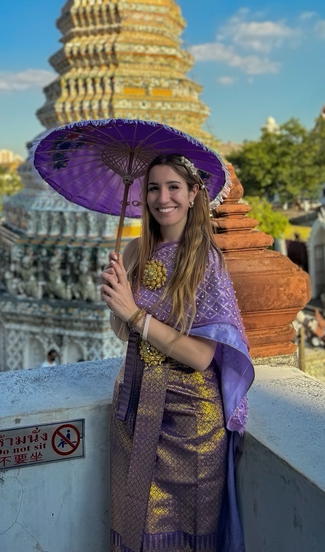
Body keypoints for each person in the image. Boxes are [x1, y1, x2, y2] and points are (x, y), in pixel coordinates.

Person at [101, 154, 253, 552]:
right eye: (153, 187)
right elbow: (125, 333)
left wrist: (134, 313)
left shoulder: (205, 261)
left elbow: (202, 356)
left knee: (185, 537)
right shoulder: (135, 252)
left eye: (173, 187)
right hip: (133, 408)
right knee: (133, 527)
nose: (162, 197)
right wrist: (119, 294)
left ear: (192, 195)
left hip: (189, 421)